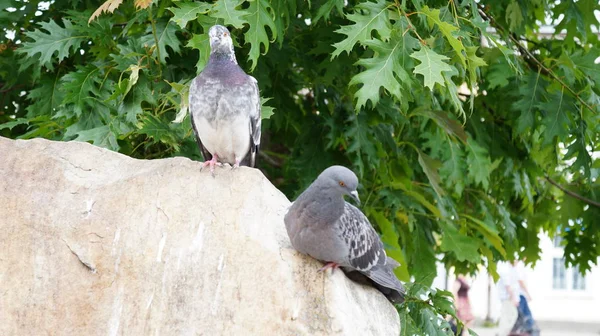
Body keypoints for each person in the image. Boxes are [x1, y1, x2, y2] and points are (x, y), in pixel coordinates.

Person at [514, 260, 539, 336]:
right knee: (525, 319)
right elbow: (520, 281)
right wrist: (527, 294)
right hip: (520, 296)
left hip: (520, 296)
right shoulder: (519, 266)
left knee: (524, 319)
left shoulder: (518, 266)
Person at [496, 261, 520, 336]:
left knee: (509, 316)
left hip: (508, 298)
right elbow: (508, 286)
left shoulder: (510, 270)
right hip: (507, 298)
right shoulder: (506, 270)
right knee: (509, 316)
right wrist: (513, 298)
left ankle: (503, 333)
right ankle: (502, 334)